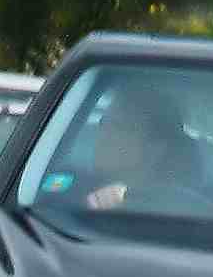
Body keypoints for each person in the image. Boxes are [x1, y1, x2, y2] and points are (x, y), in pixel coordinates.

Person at [56, 79, 203, 212]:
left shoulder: (186, 209)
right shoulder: (68, 187)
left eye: (119, 126)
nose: (104, 133)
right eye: (104, 122)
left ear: (155, 147)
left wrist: (129, 197)